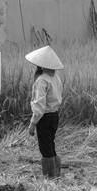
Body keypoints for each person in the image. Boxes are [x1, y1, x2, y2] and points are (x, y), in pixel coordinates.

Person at [26, 45, 64, 178]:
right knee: (51, 145)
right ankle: (56, 175)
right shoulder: (56, 78)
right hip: (54, 116)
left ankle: (50, 179)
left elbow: (39, 106)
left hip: (45, 117)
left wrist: (32, 124)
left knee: (45, 149)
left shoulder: (42, 80)